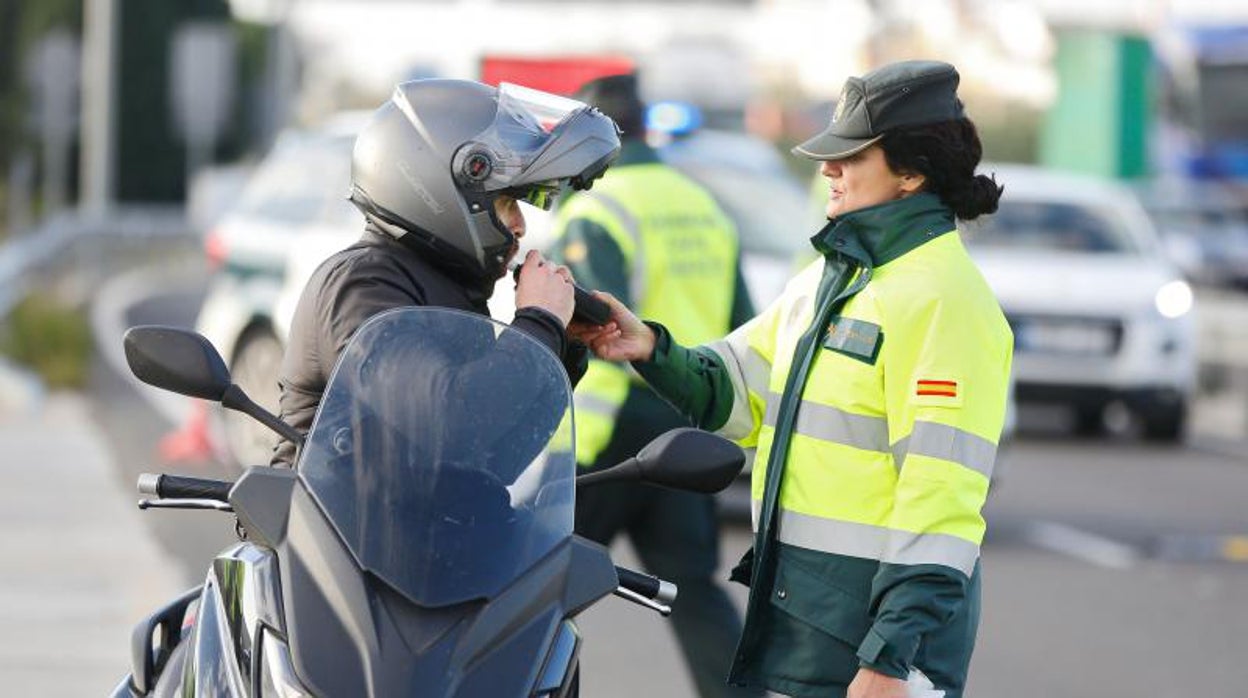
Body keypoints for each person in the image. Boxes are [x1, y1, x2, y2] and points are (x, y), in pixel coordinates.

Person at [573, 60, 1014, 698]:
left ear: (912, 174)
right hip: (805, 630)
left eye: (851, 155)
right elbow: (734, 390)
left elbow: (940, 502)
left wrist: (889, 660)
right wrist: (647, 347)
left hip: (869, 653)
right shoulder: (831, 279)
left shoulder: (944, 299)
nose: (827, 169)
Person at [271, 78, 621, 466]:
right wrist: (538, 322)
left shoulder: (450, 290)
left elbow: (495, 459)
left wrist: (560, 346)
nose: (520, 225)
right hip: (341, 525)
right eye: (507, 203)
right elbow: (451, 426)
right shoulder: (362, 284)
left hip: (427, 525)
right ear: (441, 186)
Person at [544, 73, 760, 698]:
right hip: (683, 430)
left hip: (604, 439)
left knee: (542, 591)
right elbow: (744, 325)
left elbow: (592, 323)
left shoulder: (594, 209)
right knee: (693, 589)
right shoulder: (702, 203)